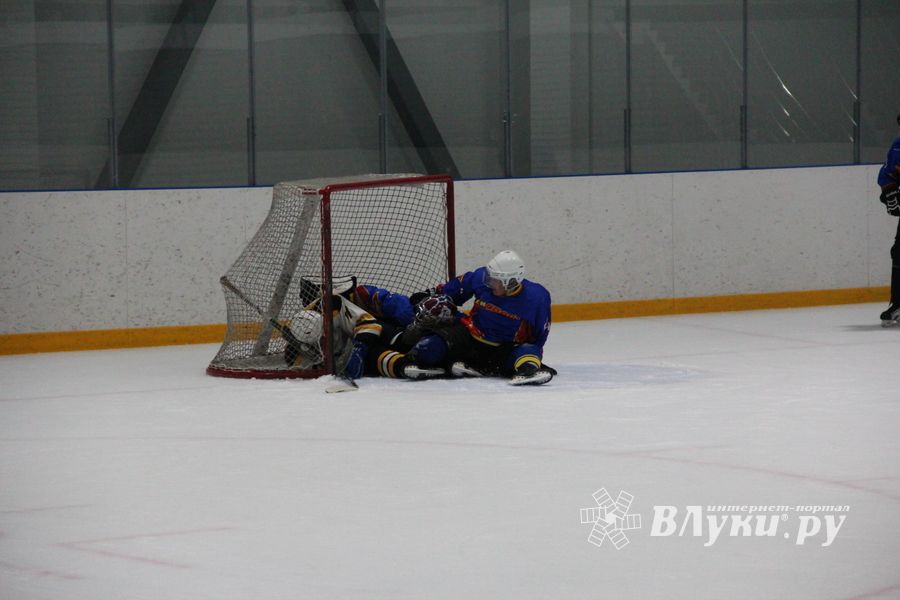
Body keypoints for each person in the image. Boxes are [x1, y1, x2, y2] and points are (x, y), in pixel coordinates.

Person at [408, 249, 554, 385]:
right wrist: (432, 294)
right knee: (427, 348)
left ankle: (527, 370)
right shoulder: (481, 279)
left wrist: (534, 357)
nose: (489, 283)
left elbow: (540, 334)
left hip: (505, 349)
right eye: (489, 277)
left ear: (511, 282)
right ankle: (458, 365)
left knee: (528, 350)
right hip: (471, 338)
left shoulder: (537, 298)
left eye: (495, 280)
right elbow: (457, 288)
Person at [877, 114, 900, 327]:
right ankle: (898, 304)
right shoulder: (897, 147)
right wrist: (891, 196)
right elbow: (887, 175)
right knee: (899, 252)